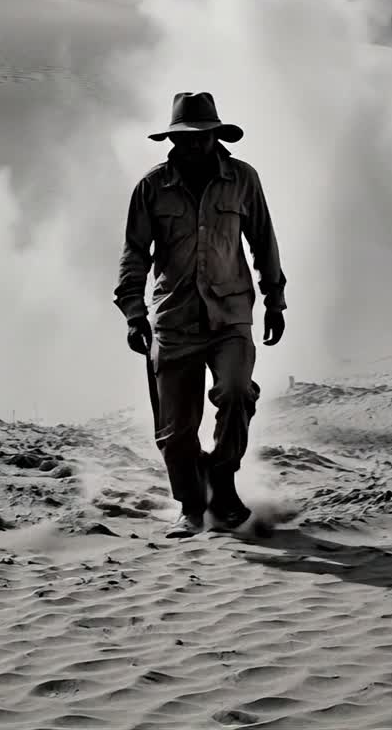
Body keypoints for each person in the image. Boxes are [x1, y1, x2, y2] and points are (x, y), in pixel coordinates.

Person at [114, 91, 286, 539]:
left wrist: (274, 300)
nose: (189, 147)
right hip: (173, 317)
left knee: (235, 394)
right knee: (176, 428)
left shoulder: (242, 179)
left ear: (214, 137)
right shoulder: (152, 187)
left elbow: (263, 241)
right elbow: (134, 253)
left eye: (198, 139)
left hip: (230, 314)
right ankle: (191, 506)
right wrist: (134, 312)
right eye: (181, 139)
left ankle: (222, 480)